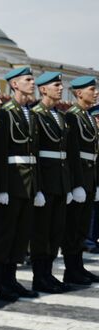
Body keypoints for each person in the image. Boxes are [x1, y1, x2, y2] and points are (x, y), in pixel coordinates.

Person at [0, 67, 40, 300]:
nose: (33, 84)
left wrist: (37, 187)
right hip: (11, 183)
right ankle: (2, 283)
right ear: (14, 85)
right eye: (28, 80)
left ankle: (11, 279)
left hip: (28, 184)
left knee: (21, 235)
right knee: (6, 235)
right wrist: (1, 188)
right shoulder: (4, 114)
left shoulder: (30, 113)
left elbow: (35, 154)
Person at [31, 72, 72, 292]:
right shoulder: (36, 114)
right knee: (42, 231)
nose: (60, 88)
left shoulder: (60, 116)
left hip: (60, 181)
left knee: (56, 230)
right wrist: (36, 187)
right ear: (43, 89)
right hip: (45, 182)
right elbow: (34, 153)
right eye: (56, 85)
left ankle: (48, 273)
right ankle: (40, 276)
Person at [63, 76, 99, 284]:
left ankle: (78, 266)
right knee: (73, 226)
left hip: (89, 177)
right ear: (78, 94)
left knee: (82, 226)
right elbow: (72, 153)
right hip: (79, 178)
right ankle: (71, 269)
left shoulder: (85, 115)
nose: (95, 93)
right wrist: (76, 184)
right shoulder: (73, 116)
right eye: (91, 90)